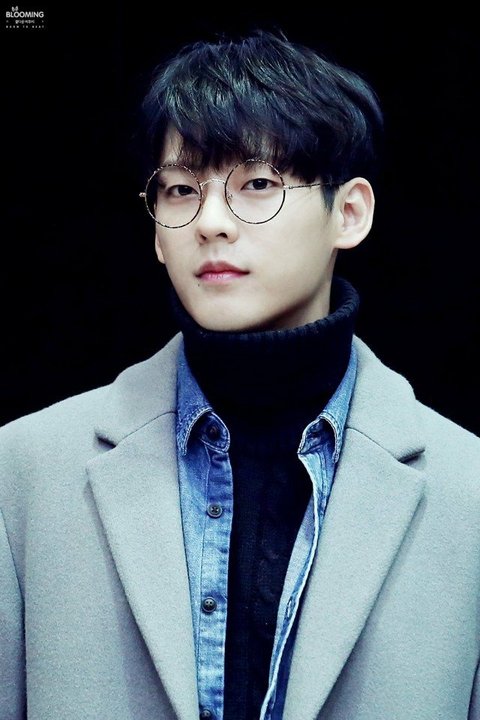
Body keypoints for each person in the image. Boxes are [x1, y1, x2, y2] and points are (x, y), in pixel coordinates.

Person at [0, 29, 479, 720]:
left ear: (349, 213)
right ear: (156, 230)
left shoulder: (468, 490)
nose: (211, 222)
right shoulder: (24, 470)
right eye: (180, 190)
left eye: (257, 184)